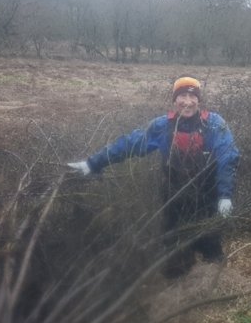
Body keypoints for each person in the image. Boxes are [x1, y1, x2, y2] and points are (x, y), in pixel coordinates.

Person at [67, 76, 240, 278]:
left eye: (192, 96)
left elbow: (228, 157)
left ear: (198, 100)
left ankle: (216, 287)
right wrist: (92, 163)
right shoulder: (162, 126)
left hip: (207, 199)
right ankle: (176, 293)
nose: (188, 101)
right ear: (174, 100)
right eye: (182, 96)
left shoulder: (214, 124)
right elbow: (128, 144)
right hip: (173, 198)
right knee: (173, 251)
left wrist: (224, 196)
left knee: (211, 245)